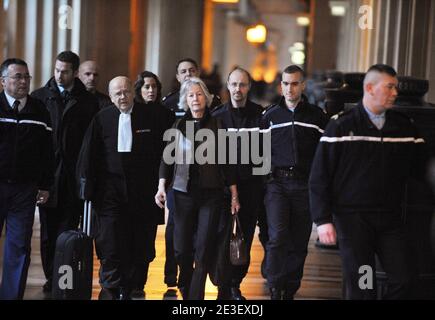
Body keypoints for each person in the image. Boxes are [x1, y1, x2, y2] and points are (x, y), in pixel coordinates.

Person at [309, 64, 424, 299]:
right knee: (363, 284)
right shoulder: (341, 125)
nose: (395, 93)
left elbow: (421, 170)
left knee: (405, 278)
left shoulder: (404, 127)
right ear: (370, 88)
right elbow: (319, 175)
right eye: (390, 87)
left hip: (390, 220)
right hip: (353, 221)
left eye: (396, 88)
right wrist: (322, 220)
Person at [77, 76, 167, 300]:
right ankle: (111, 284)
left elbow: (162, 153)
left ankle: (134, 285)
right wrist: (86, 188)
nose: (122, 97)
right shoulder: (102, 118)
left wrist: (162, 183)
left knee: (141, 240)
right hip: (109, 192)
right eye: (117, 93)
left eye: (126, 92)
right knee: (110, 240)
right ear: (110, 96)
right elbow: (89, 155)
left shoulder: (149, 117)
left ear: (133, 92)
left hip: (143, 191)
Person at [155, 77, 237, 300]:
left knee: (203, 248)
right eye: (190, 95)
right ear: (185, 100)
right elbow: (167, 159)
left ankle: (195, 300)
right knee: (181, 249)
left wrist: (234, 194)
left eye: (199, 94)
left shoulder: (218, 125)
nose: (195, 98)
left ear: (206, 97)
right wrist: (162, 186)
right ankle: (186, 282)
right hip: (182, 195)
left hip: (211, 196)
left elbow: (228, 163)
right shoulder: (178, 125)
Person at [31, 51, 99, 294]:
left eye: (65, 71)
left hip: (73, 177)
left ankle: (63, 279)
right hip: (48, 177)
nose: (59, 75)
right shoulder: (39, 98)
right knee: (48, 233)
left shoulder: (88, 103)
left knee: (68, 230)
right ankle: (52, 277)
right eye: (57, 69)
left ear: (74, 72)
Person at [260, 65, 329, 300]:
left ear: (303, 85)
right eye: (286, 84)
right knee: (277, 236)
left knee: (299, 241)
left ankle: (290, 287)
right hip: (277, 184)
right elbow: (259, 152)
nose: (290, 88)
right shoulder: (269, 116)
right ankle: (275, 284)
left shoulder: (317, 117)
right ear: (281, 86)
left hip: (304, 186)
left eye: (295, 83)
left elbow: (325, 154)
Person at [0, 58, 54, 299]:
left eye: (26, 77)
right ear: (3, 81)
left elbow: (47, 152)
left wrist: (45, 184)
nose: (23, 81)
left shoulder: (39, 110)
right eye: (17, 77)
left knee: (19, 246)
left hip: (24, 190)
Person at [211, 67, 264, 300]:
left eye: (242, 84)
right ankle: (222, 281)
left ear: (249, 87)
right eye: (234, 84)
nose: (238, 89)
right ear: (228, 86)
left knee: (244, 236)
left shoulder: (260, 115)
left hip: (251, 187)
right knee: (222, 234)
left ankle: (234, 284)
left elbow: (265, 153)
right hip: (223, 189)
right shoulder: (218, 116)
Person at [130, 71, 175, 298]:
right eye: (146, 86)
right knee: (131, 231)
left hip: (154, 182)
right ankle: (129, 279)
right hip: (133, 182)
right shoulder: (131, 112)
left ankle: (140, 280)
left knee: (147, 234)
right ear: (138, 89)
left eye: (154, 86)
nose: (151, 90)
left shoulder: (165, 115)